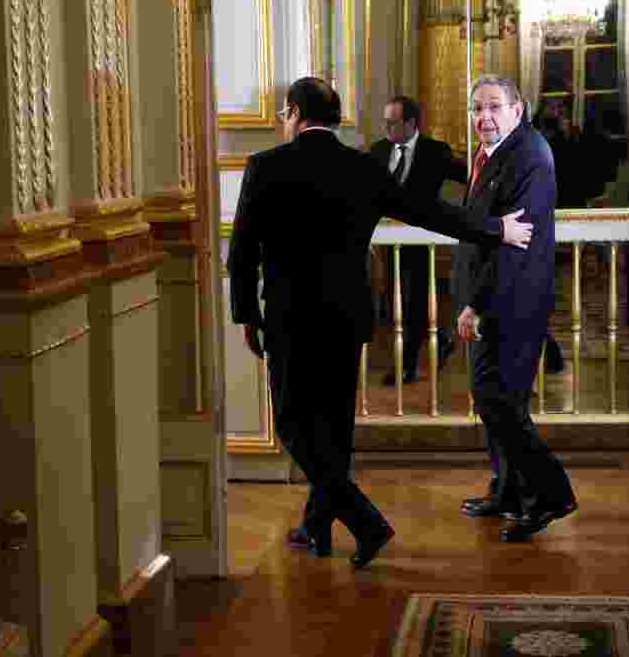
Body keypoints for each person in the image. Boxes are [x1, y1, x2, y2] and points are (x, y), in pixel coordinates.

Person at [227, 77, 533, 567]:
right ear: (334, 118)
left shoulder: (265, 166)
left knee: (291, 422)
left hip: (290, 316)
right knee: (334, 425)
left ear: (294, 114)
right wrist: (496, 228)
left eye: (285, 115)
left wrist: (246, 314)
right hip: (348, 316)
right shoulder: (361, 167)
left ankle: (364, 522)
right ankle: (315, 528)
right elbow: (428, 212)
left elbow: (241, 253)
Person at [453, 75, 578, 541]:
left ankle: (549, 496)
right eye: (477, 108)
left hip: (510, 301)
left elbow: (514, 243)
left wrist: (476, 305)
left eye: (494, 108)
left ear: (518, 109)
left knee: (500, 402)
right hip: (495, 300)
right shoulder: (499, 152)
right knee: (494, 403)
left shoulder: (529, 155)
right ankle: (507, 491)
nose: (484, 118)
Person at [369, 96, 468, 385]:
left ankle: (407, 365)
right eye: (384, 121)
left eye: (392, 122)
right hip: (387, 241)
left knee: (413, 299)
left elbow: (471, 179)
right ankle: (441, 341)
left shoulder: (435, 151)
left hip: (421, 238)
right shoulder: (378, 151)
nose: (386, 127)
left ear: (411, 123)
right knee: (399, 300)